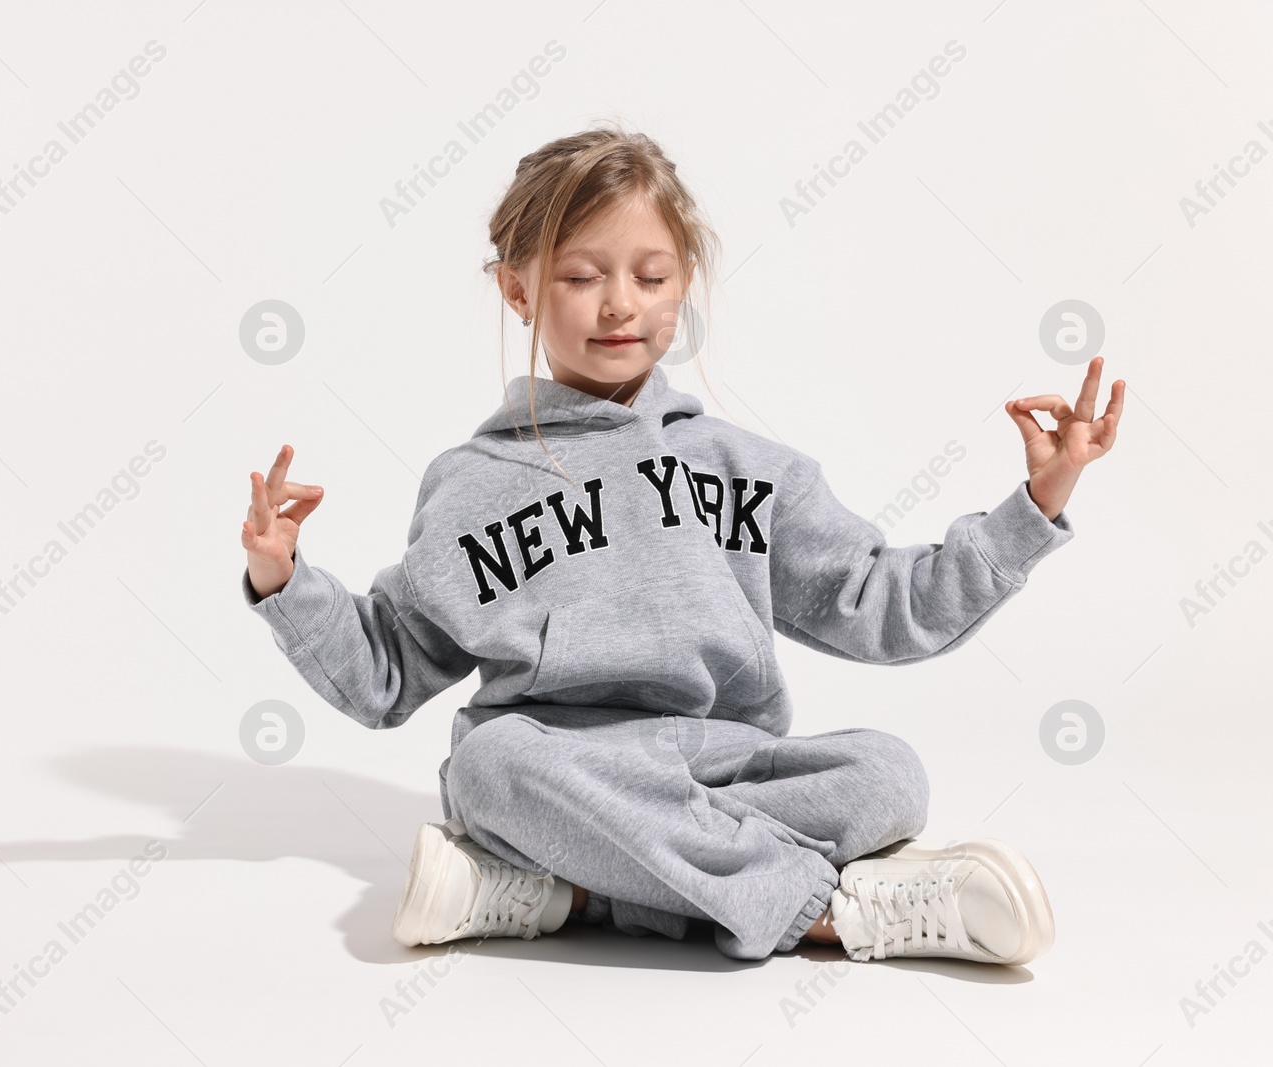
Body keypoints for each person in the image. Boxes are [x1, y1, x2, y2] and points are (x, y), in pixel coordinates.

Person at [240, 125, 1123, 965]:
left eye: (651, 276)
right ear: (518, 288)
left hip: (722, 765)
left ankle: (569, 895)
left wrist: (1037, 502)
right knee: (486, 766)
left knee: (888, 775)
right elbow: (388, 671)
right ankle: (829, 911)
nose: (621, 303)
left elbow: (884, 606)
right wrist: (284, 578)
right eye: (583, 275)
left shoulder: (746, 468)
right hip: (561, 766)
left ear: (684, 280)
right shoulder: (471, 481)